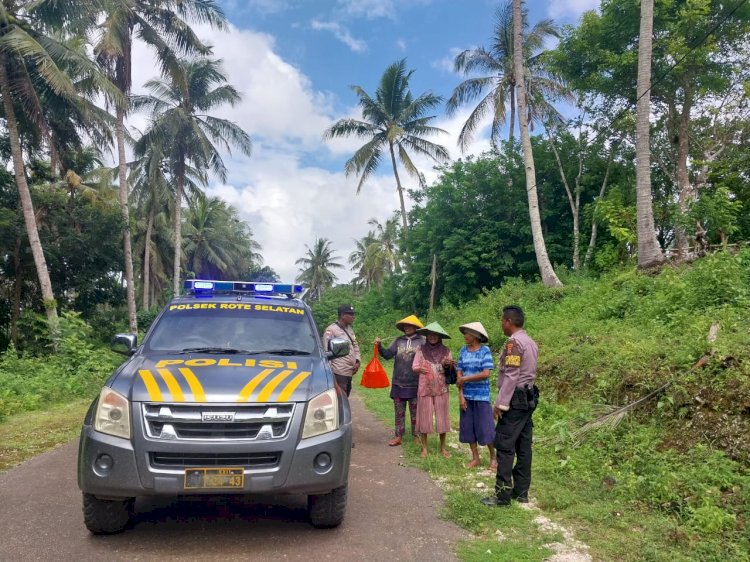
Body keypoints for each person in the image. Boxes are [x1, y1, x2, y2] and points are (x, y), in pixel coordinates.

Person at [482, 305, 539, 507]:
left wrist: (500, 403)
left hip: (515, 399)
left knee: (505, 445)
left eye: (502, 320)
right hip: (528, 396)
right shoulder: (530, 342)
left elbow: (512, 375)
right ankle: (521, 492)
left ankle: (502, 495)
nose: (501, 324)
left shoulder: (513, 344)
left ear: (508, 321)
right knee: (524, 445)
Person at [375, 315, 425, 446]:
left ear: (416, 327)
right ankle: (398, 436)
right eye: (405, 326)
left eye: (409, 325)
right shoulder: (398, 340)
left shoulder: (422, 341)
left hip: (416, 382)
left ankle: (416, 436)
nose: (406, 327)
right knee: (399, 412)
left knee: (416, 412)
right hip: (398, 382)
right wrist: (379, 346)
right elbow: (387, 355)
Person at [456, 322, 496, 469]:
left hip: (482, 396)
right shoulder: (463, 351)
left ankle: (493, 457)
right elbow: (459, 371)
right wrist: (461, 395)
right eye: (465, 333)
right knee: (468, 428)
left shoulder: (485, 351)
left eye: (468, 333)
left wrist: (465, 379)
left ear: (476, 336)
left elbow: (486, 374)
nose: (465, 336)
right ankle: (475, 458)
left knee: (486, 427)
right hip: (467, 395)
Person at [412, 322, 453, 459]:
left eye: (436, 335)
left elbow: (450, 369)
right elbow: (414, 366)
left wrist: (448, 365)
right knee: (424, 417)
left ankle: (443, 448)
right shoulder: (420, 350)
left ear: (440, 337)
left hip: (441, 388)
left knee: (442, 417)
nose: (433, 337)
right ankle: (424, 448)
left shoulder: (446, 351)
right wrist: (419, 369)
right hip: (425, 387)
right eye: (430, 335)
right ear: (427, 336)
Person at [323, 304, 361, 397]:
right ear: (343, 315)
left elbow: (355, 345)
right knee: (340, 399)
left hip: (349, 371)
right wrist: (329, 372)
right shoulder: (331, 330)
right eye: (351, 314)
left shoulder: (349, 329)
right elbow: (326, 351)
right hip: (338, 372)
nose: (353, 317)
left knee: (345, 396)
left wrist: (357, 361)